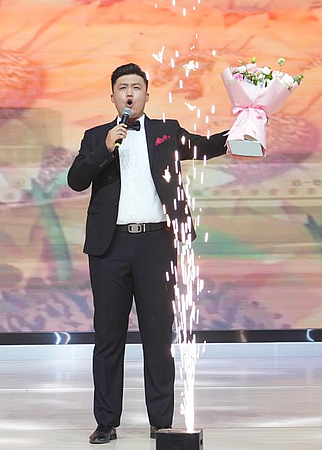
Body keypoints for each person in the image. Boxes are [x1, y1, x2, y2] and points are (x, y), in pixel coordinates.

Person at [67, 64, 228, 444]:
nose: (129, 93)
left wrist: (248, 125)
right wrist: (106, 148)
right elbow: (76, 180)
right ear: (112, 96)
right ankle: (106, 421)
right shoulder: (96, 136)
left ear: (146, 95)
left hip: (157, 244)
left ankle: (161, 421)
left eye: (136, 87)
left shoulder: (166, 132)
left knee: (158, 336)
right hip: (110, 248)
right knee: (109, 337)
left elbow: (206, 146)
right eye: (122, 87)